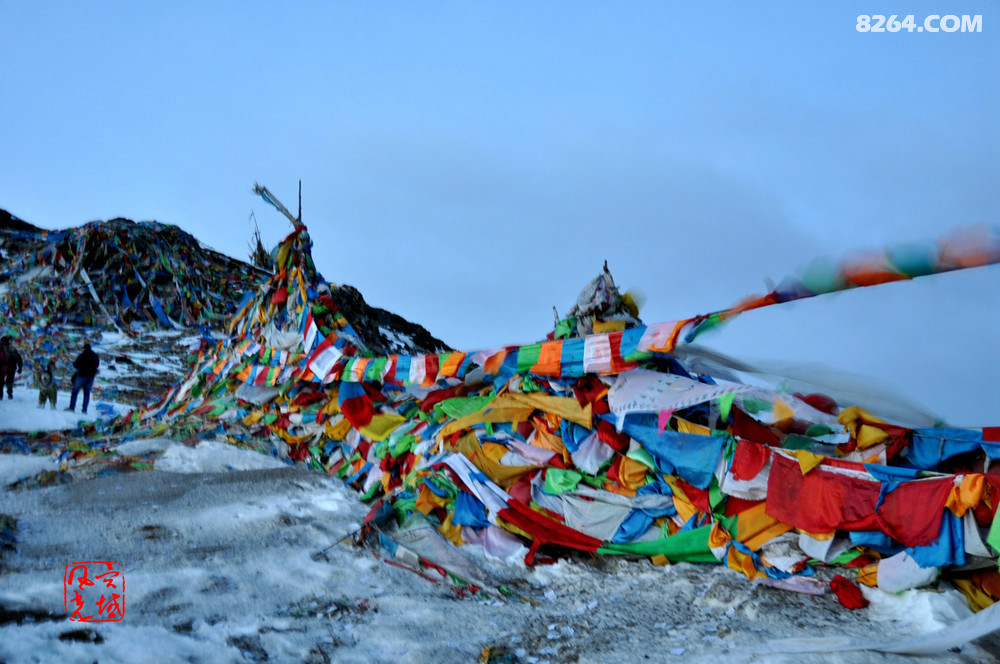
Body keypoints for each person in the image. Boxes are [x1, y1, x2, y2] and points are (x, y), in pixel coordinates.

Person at [67, 342, 100, 414]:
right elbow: (97, 365)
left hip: (81, 376)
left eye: (82, 348)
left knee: (75, 392)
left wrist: (75, 364)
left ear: (84, 348)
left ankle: (72, 407)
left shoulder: (82, 355)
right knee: (86, 393)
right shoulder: (95, 356)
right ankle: (84, 410)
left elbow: (76, 364)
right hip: (91, 377)